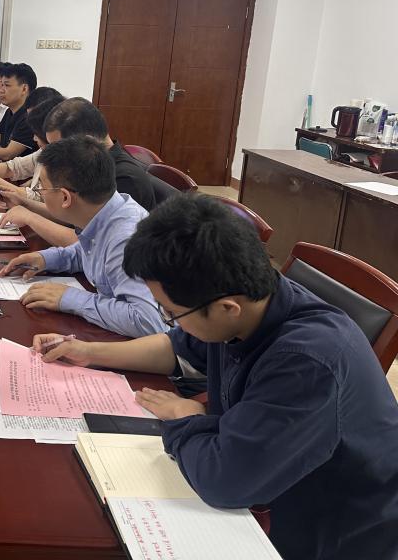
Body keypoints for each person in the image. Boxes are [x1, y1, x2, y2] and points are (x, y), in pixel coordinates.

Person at [33, 194, 398, 560]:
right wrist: (88, 352)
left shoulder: (306, 362)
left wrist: (186, 417)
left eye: (170, 312)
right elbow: (176, 347)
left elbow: (226, 481)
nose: (168, 319)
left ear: (227, 308)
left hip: (333, 530)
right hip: (270, 474)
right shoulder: (249, 302)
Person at [0, 137, 165, 338]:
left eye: (41, 187)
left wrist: (70, 298)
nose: (40, 193)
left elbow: (148, 321)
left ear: (65, 197)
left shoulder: (124, 239)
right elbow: (92, 252)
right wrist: (47, 259)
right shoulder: (108, 210)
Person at [0, 97, 162, 248]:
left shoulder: (124, 179)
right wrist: (24, 203)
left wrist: (30, 218)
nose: (53, 154)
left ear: (86, 141)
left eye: (58, 146)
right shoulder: (90, 165)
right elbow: (72, 218)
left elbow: (91, 245)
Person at [0, 90, 64, 203]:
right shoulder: (45, 150)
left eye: (7, 85)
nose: (34, 138)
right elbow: (15, 167)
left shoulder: (64, 158)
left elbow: (38, 199)